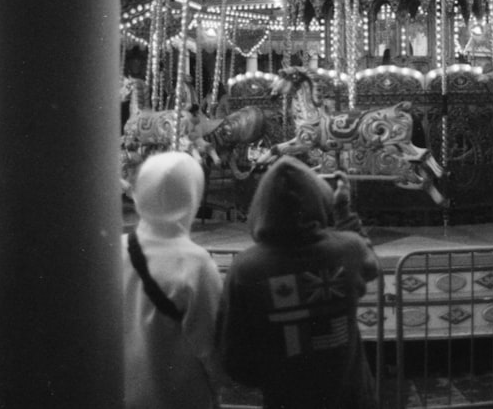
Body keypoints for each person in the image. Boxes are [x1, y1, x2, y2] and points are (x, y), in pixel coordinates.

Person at [220, 157, 380, 409]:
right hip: (352, 398)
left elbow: (234, 357)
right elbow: (371, 268)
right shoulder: (348, 249)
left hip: (286, 399)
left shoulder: (246, 268)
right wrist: (344, 214)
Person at [122, 152, 224, 409]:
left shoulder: (113, 248)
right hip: (179, 398)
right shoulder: (195, 264)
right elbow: (213, 348)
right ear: (192, 197)